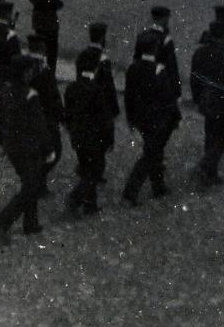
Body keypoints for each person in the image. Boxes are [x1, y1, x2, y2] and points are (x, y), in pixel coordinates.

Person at [0, 54, 54, 243]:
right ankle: (3, 221)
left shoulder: (5, 92)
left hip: (12, 147)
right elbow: (39, 125)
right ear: (25, 74)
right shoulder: (30, 95)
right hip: (28, 148)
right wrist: (49, 149)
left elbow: (1, 121)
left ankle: (31, 222)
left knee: (30, 181)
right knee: (31, 186)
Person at [121, 33, 182, 206]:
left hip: (140, 119)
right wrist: (176, 117)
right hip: (157, 120)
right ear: (155, 49)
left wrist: (130, 120)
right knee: (151, 154)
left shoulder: (133, 68)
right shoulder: (159, 70)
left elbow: (128, 97)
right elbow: (167, 98)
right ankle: (130, 192)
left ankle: (158, 185)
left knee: (154, 151)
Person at [190, 17, 224, 188]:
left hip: (207, 101)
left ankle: (210, 172)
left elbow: (194, 80)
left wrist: (198, 98)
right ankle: (206, 166)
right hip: (223, 103)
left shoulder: (199, 52)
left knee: (210, 134)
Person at [65, 47, 117, 216]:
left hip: (78, 137)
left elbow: (68, 115)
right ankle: (75, 198)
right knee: (95, 170)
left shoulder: (71, 88)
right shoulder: (97, 90)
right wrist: (110, 139)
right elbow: (105, 119)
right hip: (94, 139)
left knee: (86, 168)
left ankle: (90, 204)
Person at [26, 33, 64, 193]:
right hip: (46, 117)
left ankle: (38, 182)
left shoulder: (26, 65)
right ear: (42, 49)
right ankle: (37, 182)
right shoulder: (44, 69)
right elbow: (52, 96)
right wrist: (61, 116)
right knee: (54, 150)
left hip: (30, 116)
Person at [82, 22, 120, 175]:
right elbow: (109, 87)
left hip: (84, 101)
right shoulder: (103, 60)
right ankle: (96, 171)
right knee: (100, 140)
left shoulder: (83, 55)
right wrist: (114, 109)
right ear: (102, 37)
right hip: (99, 106)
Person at [27, 0, 64, 73]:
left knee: (38, 50)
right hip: (50, 24)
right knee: (51, 54)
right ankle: (49, 77)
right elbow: (56, 4)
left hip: (37, 22)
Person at [139, 5, 181, 101]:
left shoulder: (142, 36)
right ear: (164, 19)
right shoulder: (165, 39)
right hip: (160, 82)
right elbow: (172, 66)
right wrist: (176, 91)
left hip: (142, 81)